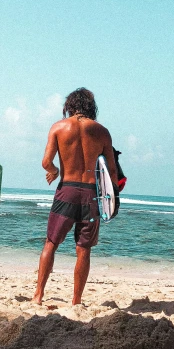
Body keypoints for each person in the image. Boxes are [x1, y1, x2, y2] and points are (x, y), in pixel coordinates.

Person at [32, 88, 118, 306]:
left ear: (69, 105)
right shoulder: (102, 132)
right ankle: (76, 300)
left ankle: (38, 295)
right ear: (91, 106)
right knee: (83, 248)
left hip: (67, 190)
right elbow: (112, 170)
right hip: (92, 195)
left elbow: (45, 162)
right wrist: (113, 197)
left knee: (51, 243)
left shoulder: (59, 127)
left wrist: (55, 171)